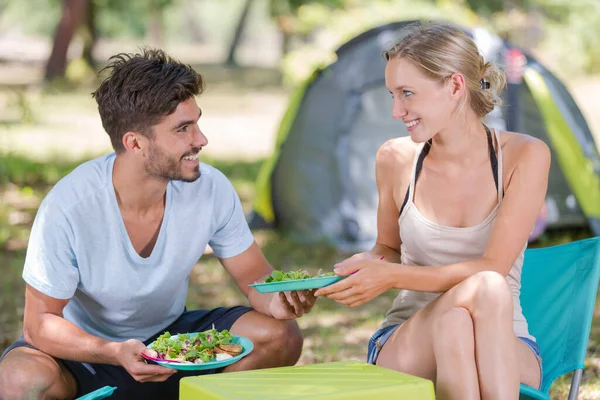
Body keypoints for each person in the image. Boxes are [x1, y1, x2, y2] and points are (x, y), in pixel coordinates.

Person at [0, 49, 316, 400]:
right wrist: (113, 352)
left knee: (280, 335)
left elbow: (256, 279)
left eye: (197, 122)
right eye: (183, 128)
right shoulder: (69, 207)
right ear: (134, 142)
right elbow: (38, 325)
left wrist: (279, 303)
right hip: (86, 353)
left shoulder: (211, 189)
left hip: (174, 347)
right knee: (18, 380)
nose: (201, 139)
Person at [315, 23, 549, 400]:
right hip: (409, 339)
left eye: (407, 94)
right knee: (474, 300)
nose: (396, 111)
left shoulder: (524, 156)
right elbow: (387, 249)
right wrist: (364, 267)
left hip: (505, 340)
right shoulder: (395, 158)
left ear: (455, 87)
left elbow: (494, 266)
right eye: (392, 94)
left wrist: (390, 276)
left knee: (463, 316)